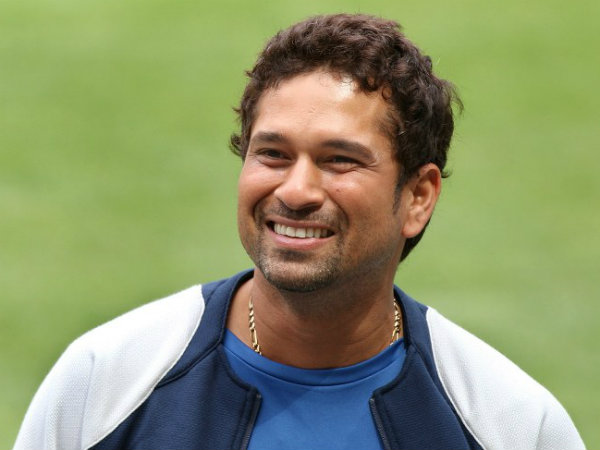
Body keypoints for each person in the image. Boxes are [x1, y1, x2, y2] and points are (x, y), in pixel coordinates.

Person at [14, 13, 584, 450]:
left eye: (339, 160)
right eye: (273, 153)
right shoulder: (104, 384)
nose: (296, 190)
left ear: (418, 196)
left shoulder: (510, 424)